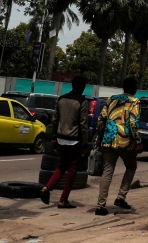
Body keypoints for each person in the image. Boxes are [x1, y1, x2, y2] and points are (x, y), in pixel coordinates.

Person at [94, 76, 142, 216]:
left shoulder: (111, 99)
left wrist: (100, 137)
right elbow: (133, 123)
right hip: (126, 142)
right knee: (131, 166)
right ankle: (121, 197)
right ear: (133, 88)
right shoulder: (135, 102)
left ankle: (100, 206)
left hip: (108, 140)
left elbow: (101, 120)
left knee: (107, 171)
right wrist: (138, 141)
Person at [40, 75, 90, 209]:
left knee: (62, 165)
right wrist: (85, 144)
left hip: (61, 138)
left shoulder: (61, 99)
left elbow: (54, 120)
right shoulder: (82, 102)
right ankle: (63, 200)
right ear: (82, 87)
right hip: (74, 140)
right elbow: (83, 125)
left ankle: (47, 187)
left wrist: (53, 138)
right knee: (73, 169)